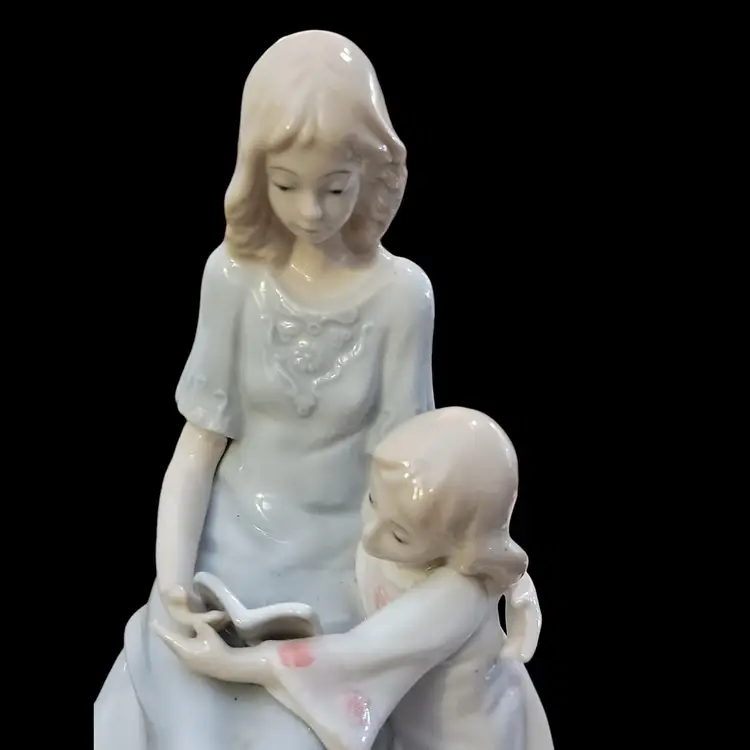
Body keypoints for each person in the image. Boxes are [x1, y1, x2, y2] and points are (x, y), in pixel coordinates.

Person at [94, 29, 434, 750]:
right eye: (286, 184)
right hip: (235, 544)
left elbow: (409, 468)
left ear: (370, 173)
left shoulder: (401, 297)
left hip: (349, 557)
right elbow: (198, 446)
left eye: (335, 187)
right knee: (180, 705)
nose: (311, 210)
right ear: (254, 172)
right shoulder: (232, 278)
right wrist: (173, 581)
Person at [155, 407, 553, 750]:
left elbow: (351, 656)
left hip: (461, 737)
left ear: (462, 546)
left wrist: (228, 663)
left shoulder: (452, 600)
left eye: (399, 535)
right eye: (372, 500)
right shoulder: (422, 542)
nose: (370, 535)